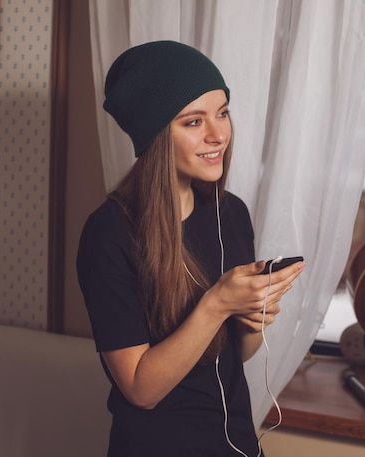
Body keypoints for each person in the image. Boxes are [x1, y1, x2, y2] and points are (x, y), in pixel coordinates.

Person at [77, 40, 304, 457]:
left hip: (237, 446)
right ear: (156, 133)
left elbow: (241, 353)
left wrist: (254, 314)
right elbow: (141, 390)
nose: (219, 134)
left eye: (222, 113)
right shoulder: (109, 234)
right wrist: (217, 303)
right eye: (194, 122)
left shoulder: (230, 213)